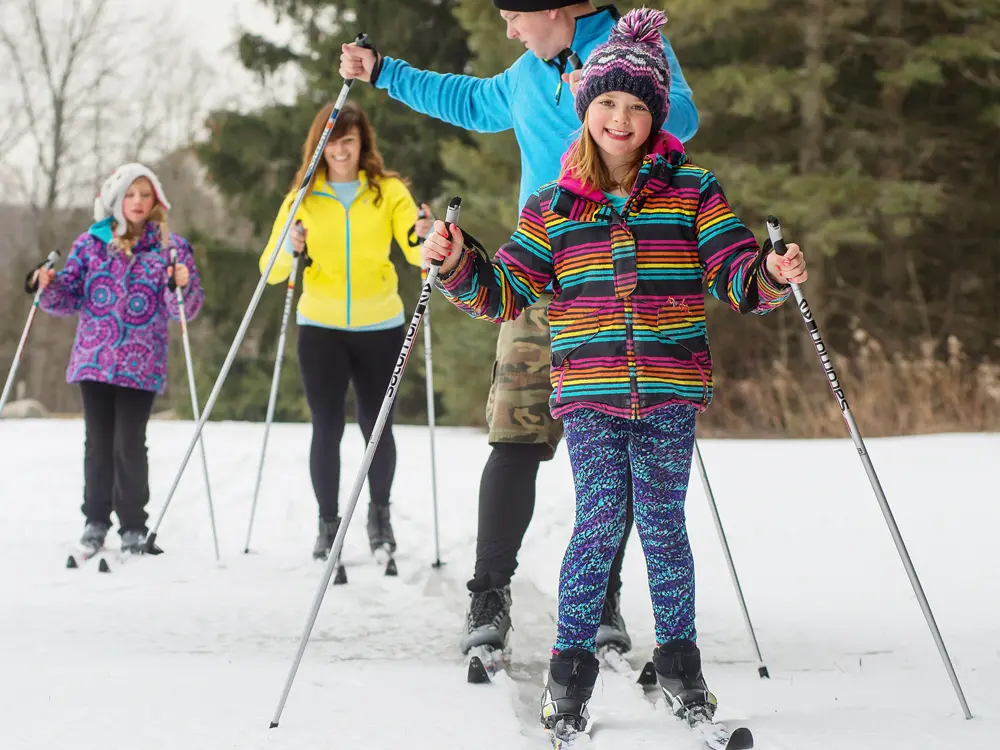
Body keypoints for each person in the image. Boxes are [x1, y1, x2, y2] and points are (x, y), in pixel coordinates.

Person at [421, 8, 807, 738]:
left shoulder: (693, 192)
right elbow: (504, 291)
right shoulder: (556, 206)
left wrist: (771, 273)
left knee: (664, 526)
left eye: (636, 107)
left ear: (657, 116)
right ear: (584, 109)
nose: (620, 119)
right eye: (606, 104)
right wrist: (456, 262)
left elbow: (733, 275)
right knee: (598, 523)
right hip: (592, 392)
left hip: (668, 389)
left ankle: (683, 664)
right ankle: (570, 676)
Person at [341, 0, 699, 656]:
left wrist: (602, 95)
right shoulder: (526, 72)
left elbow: (685, 117)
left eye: (514, 16)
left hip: (618, 281)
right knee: (515, 436)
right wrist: (384, 71)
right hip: (540, 276)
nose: (508, 29)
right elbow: (473, 101)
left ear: (557, 11)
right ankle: (489, 593)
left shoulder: (628, 46)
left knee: (616, 452)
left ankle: (601, 597)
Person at [259, 101, 433, 565]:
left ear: (362, 145)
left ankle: (380, 518)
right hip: (321, 326)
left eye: (349, 141)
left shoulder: (388, 191)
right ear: (322, 143)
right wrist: (291, 248)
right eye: (333, 141)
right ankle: (327, 523)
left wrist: (424, 233)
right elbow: (271, 269)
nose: (341, 150)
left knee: (377, 427)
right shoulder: (302, 197)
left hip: (381, 324)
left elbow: (417, 254)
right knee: (327, 426)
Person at [35, 163, 204, 554]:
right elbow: (66, 297)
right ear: (116, 200)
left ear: (156, 200)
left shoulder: (170, 248)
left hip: (140, 361)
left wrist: (182, 283)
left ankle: (132, 523)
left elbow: (183, 309)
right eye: (130, 195)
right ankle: (95, 518)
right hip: (94, 357)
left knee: (129, 442)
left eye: (145, 195)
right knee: (98, 442)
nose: (138, 202)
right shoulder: (90, 244)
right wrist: (46, 284)